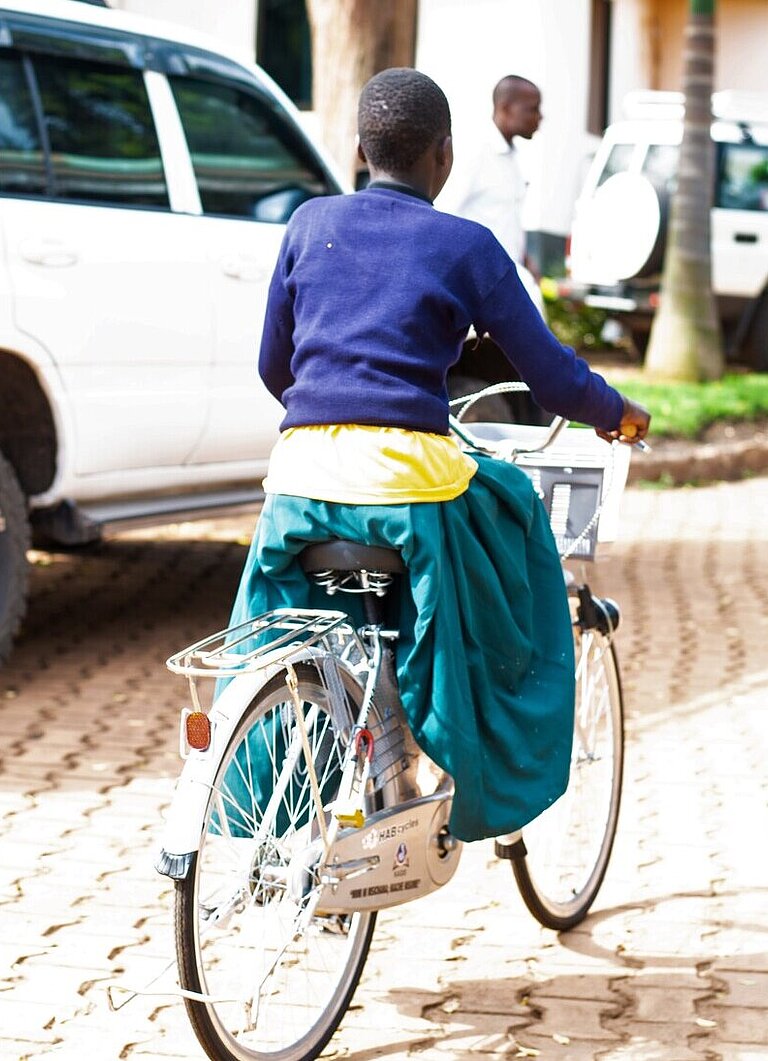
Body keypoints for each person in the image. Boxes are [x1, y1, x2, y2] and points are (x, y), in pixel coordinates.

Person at [226, 67, 650, 844]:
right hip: (406, 489)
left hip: (297, 484)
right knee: (513, 508)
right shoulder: (466, 246)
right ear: (445, 157)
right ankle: (474, 740)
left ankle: (312, 777)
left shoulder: (306, 224)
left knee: (298, 638)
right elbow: (551, 379)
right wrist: (617, 411)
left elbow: (272, 368)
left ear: (360, 151)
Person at [437, 74, 542, 273]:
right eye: (532, 109)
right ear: (505, 108)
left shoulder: (514, 157)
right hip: (477, 279)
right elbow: (446, 216)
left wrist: (525, 259)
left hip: (505, 275)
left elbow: (504, 219)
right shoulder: (474, 152)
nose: (540, 117)